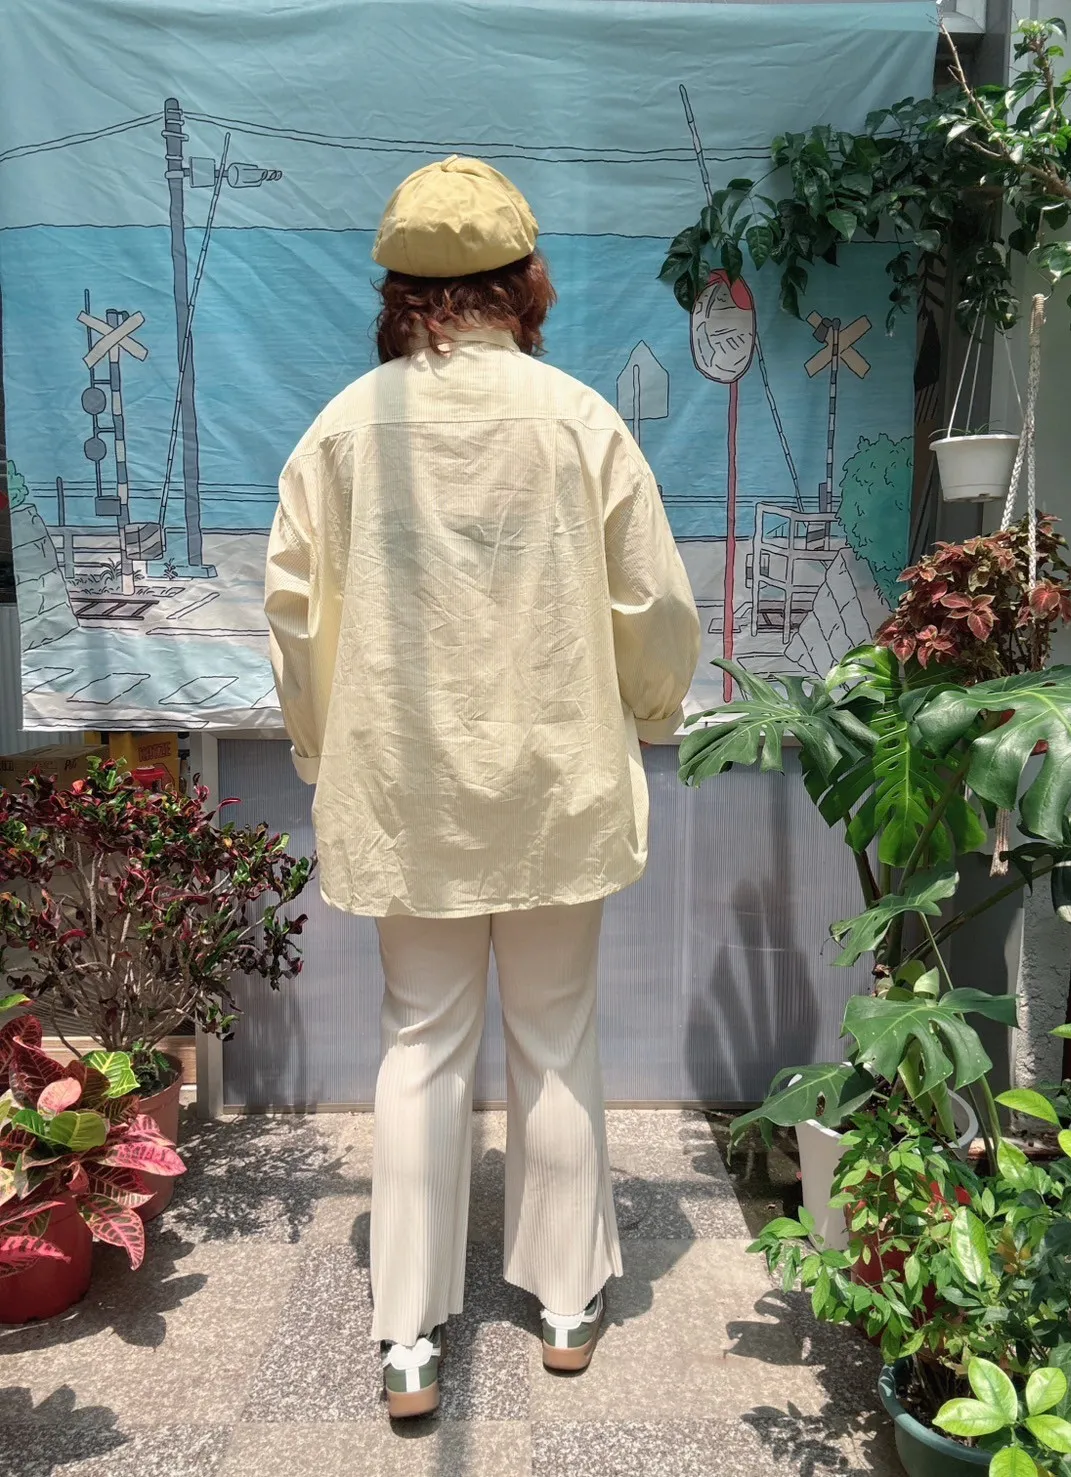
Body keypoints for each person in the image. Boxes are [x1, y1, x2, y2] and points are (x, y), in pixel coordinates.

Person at [264, 155, 700, 1418]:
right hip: (556, 777)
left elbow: (294, 618)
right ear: (525, 281)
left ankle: (408, 1336)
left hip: (408, 787)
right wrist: (649, 711)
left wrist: (322, 747)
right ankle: (564, 1302)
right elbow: (652, 606)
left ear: (399, 289)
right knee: (555, 1034)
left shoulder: (342, 430)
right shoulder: (578, 419)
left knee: (420, 1041)